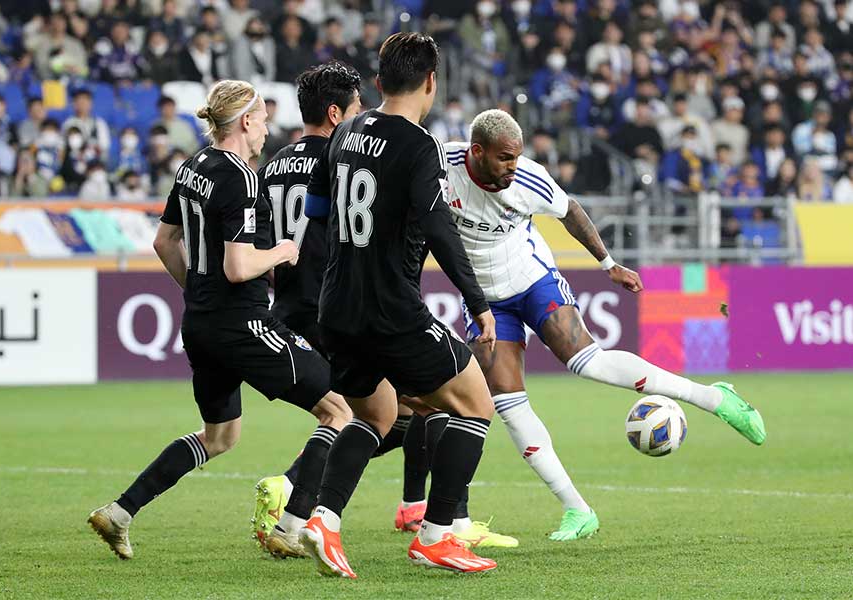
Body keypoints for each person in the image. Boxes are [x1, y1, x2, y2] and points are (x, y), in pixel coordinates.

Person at [443, 109, 767, 540]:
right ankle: (577, 511)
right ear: (477, 152)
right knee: (509, 404)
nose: (512, 167)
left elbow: (570, 210)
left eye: (517, 158)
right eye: (504, 159)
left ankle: (713, 398)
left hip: (532, 279)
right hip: (482, 301)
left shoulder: (529, 179)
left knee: (589, 364)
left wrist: (608, 263)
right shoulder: (440, 167)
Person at [87, 79, 350, 560]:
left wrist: (198, 291)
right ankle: (290, 528)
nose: (267, 129)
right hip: (242, 324)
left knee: (219, 436)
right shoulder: (241, 176)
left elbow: (164, 242)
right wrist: (282, 250)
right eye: (264, 119)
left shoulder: (192, 167)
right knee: (339, 410)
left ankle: (121, 511)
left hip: (201, 324)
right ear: (246, 121)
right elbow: (239, 266)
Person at [300, 32, 499, 578]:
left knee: (377, 413)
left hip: (336, 305)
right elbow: (437, 226)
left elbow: (316, 210)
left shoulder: (342, 133)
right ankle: (435, 537)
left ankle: (323, 519)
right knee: (474, 404)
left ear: (381, 81)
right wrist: (476, 301)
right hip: (388, 305)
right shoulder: (419, 145)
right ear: (431, 82)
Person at [250, 61, 363, 558]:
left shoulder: (273, 162)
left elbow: (262, 238)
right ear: (336, 114)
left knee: (360, 414)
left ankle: (298, 506)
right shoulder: (341, 161)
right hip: (332, 307)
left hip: (290, 304)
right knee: (397, 412)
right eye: (358, 108)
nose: (363, 118)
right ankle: (294, 499)